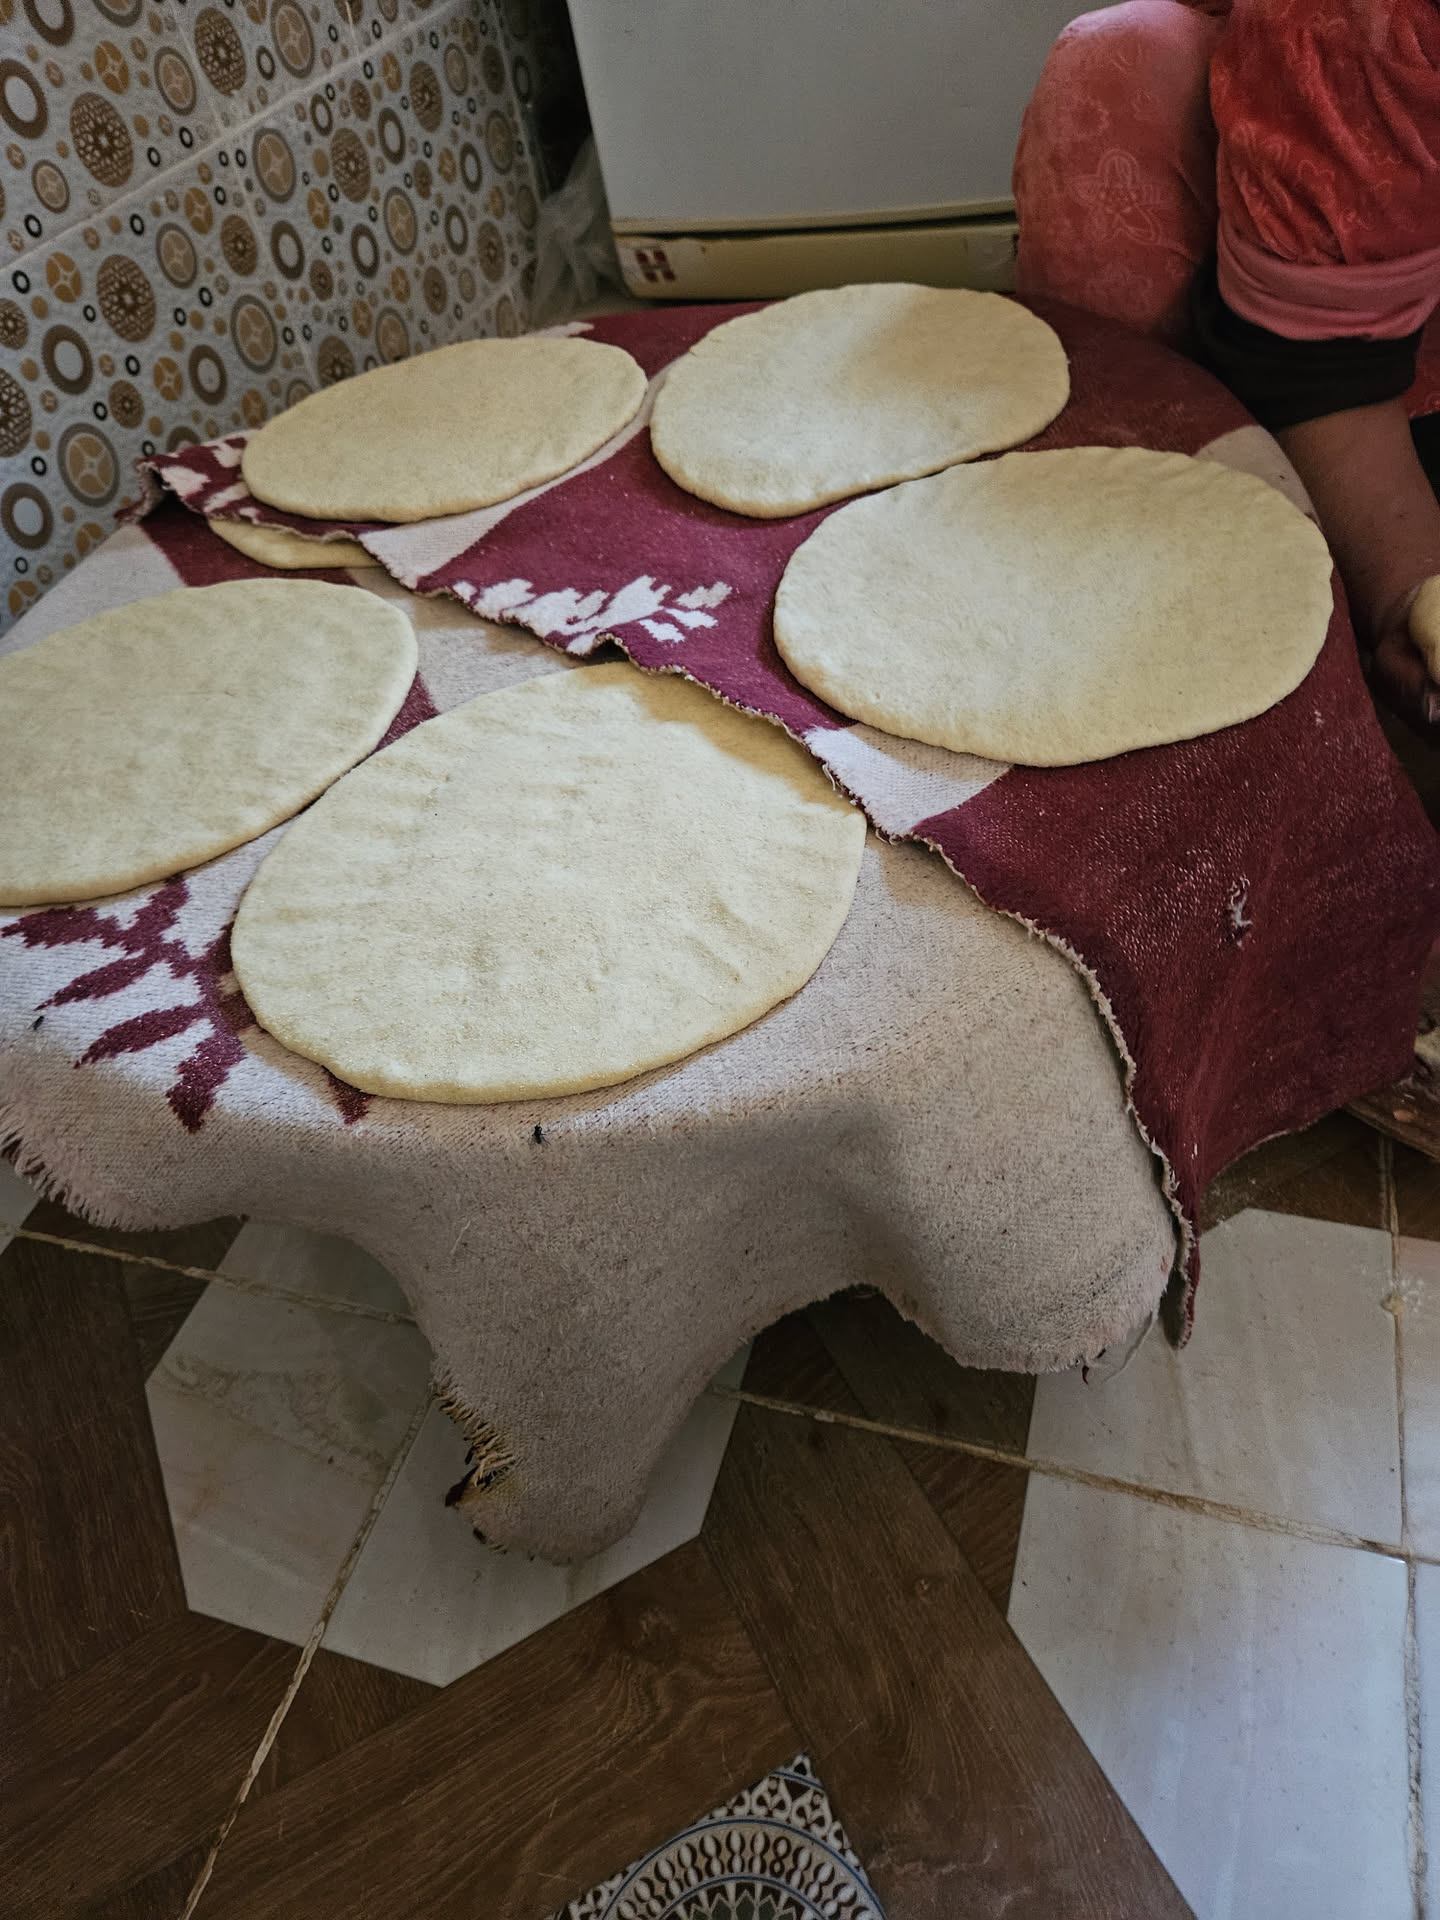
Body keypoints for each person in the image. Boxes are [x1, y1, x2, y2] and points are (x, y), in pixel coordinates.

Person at [1012, 0, 1440, 732]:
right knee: (1115, 70)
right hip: (1329, 339)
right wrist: (1408, 592)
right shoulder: (1352, 23)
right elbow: (1319, 360)